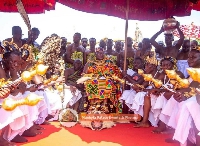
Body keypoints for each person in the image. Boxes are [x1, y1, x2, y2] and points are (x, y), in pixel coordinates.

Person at [83, 47, 122, 114]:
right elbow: (84, 74)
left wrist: (110, 76)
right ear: (96, 53)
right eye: (98, 53)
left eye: (102, 53)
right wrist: (93, 76)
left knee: (108, 82)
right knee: (91, 82)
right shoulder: (90, 63)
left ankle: (105, 104)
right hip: (94, 80)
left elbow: (116, 72)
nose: (100, 54)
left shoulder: (109, 62)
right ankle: (92, 105)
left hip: (106, 80)